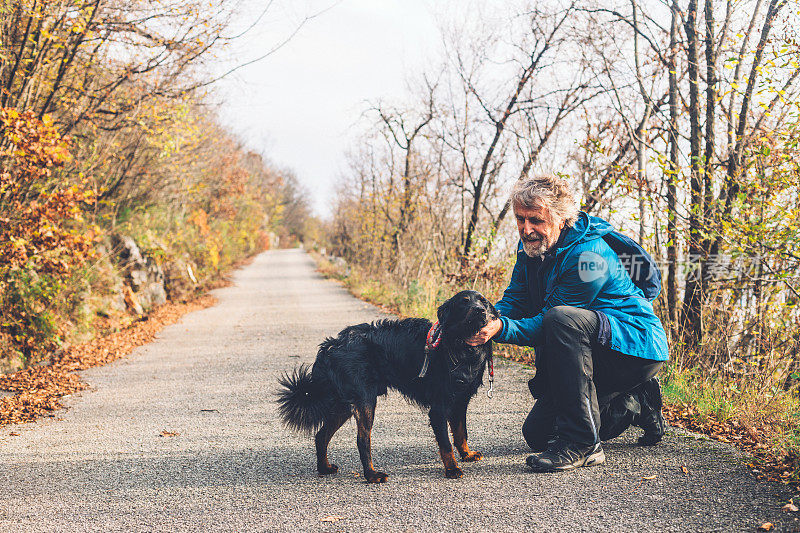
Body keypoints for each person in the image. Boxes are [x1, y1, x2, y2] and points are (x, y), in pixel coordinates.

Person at [467, 175, 668, 472]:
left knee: (562, 318)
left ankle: (584, 446)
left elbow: (550, 322)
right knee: (538, 434)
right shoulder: (530, 250)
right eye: (520, 219)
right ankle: (636, 403)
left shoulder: (589, 256)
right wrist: (481, 319)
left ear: (561, 219)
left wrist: (502, 329)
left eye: (536, 219)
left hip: (632, 350)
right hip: (593, 350)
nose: (526, 229)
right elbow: (516, 300)